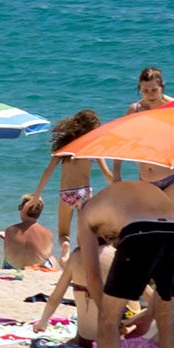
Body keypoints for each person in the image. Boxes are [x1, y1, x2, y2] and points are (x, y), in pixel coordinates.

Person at [79, 169, 174, 348]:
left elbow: (92, 275)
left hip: (142, 231)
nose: (111, 241)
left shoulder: (86, 213)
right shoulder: (133, 193)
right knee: (167, 319)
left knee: (107, 322)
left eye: (110, 238)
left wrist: (108, 316)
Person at [28, 109, 110, 258]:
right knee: (84, 230)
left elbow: (47, 172)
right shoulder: (94, 147)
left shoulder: (65, 147)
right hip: (84, 193)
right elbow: (106, 173)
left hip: (66, 193)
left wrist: (36, 196)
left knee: (63, 232)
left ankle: (65, 247)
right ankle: (82, 256)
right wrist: (117, 185)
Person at [1, 195, 55, 270]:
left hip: (12, 268)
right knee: (52, 259)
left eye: (20, 207)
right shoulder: (48, 233)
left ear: (23, 209)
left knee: (8, 258)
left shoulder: (9, 230)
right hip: (35, 269)